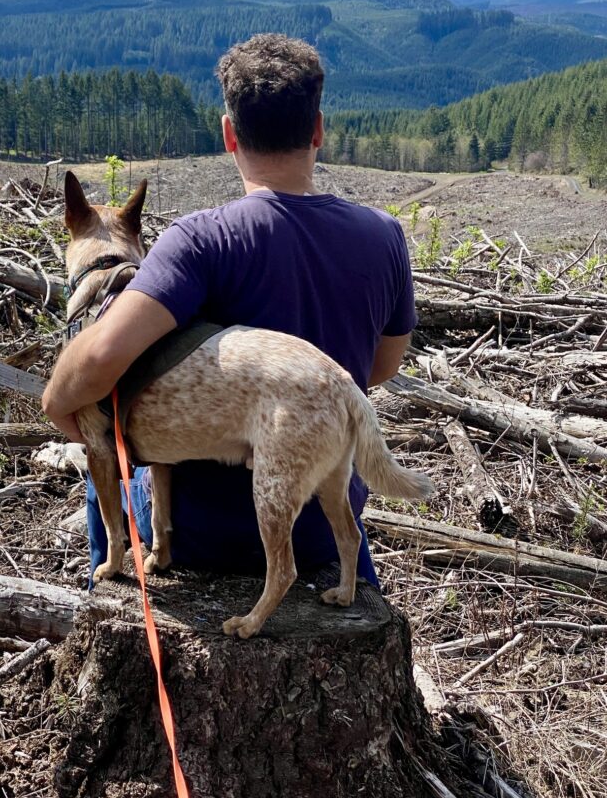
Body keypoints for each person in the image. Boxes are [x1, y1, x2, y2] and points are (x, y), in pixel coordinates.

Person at [42, 34, 416, 589]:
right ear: (317, 131)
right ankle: (347, 576)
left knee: (104, 455)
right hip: (318, 528)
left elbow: (100, 358)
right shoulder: (384, 237)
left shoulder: (201, 240)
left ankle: (111, 585)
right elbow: (382, 367)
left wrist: (54, 398)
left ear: (228, 134)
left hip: (201, 540)